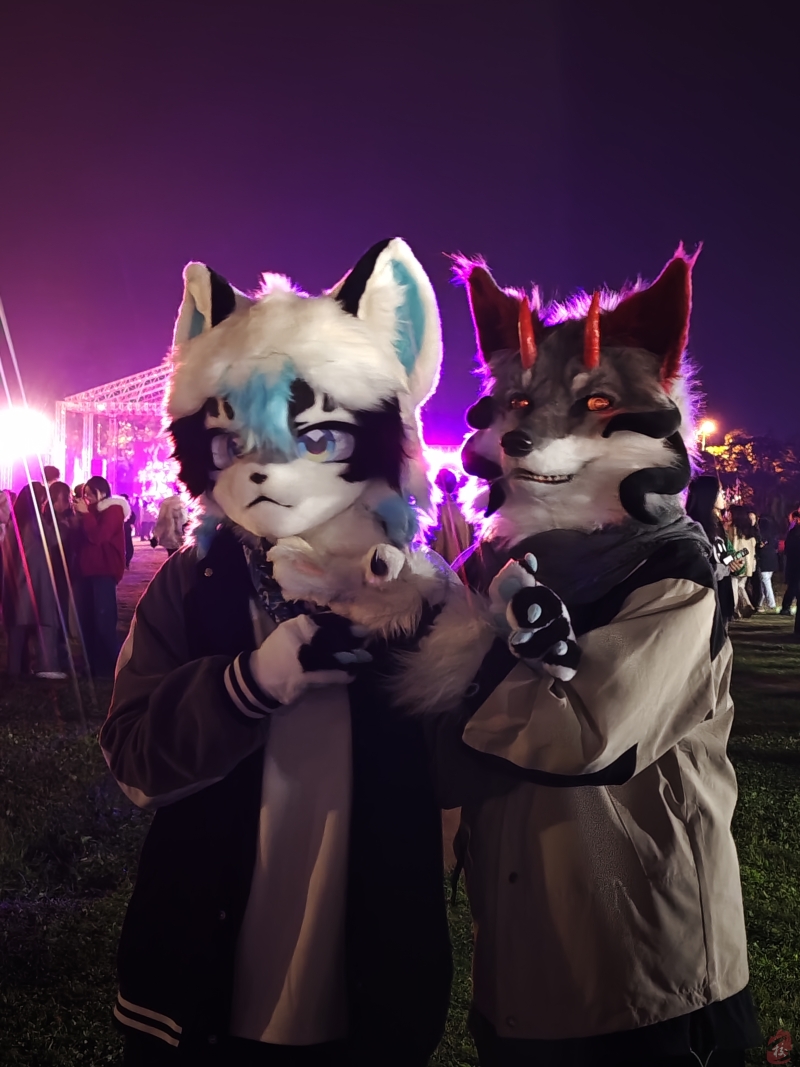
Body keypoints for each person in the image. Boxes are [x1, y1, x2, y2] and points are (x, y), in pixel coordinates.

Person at [99, 241, 454, 1065]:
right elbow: (132, 759)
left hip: (368, 1000)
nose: (265, 471)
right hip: (203, 992)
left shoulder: (422, 596)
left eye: (317, 436)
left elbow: (477, 768)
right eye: (235, 443)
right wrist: (245, 687)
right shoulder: (194, 583)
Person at [422, 251, 761, 1067]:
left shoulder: (670, 568)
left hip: (648, 976)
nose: (536, 429)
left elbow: (579, 733)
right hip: (519, 973)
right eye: (524, 402)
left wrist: (443, 695)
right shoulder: (485, 568)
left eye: (595, 401)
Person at [1, 482, 66, 678]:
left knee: (18, 626)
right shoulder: (35, 521)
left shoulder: (15, 522)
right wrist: (61, 520)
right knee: (45, 621)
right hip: (36, 578)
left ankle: (15, 668)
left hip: (17, 580)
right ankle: (47, 666)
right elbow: (53, 539)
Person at [73, 475, 130, 677]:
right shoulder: (92, 512)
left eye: (91, 493)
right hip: (86, 572)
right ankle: (93, 666)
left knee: (103, 621)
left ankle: (115, 666)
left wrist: (86, 515)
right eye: (85, 494)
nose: (87, 498)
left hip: (103, 572)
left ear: (103, 492)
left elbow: (98, 536)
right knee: (87, 621)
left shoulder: (113, 510)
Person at [685, 474, 737, 628]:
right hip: (707, 595)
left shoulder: (717, 525)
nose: (724, 495)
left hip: (723, 591)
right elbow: (699, 566)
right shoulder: (696, 527)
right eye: (720, 491)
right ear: (708, 495)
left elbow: (719, 556)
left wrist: (731, 562)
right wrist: (723, 568)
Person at [429, 467, 473, 564]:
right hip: (465, 565)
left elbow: (435, 545)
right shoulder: (466, 511)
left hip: (442, 567)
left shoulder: (435, 511)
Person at [727, 506, 757, 619]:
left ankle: (734, 609)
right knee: (741, 585)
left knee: (734, 584)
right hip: (749, 561)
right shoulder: (750, 529)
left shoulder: (734, 528)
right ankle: (748, 605)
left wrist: (731, 558)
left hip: (738, 560)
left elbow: (733, 545)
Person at [150, 489, 187, 557]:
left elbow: (161, 520)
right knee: (180, 556)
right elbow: (184, 521)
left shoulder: (166, 502)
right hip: (181, 536)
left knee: (171, 555)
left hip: (168, 535)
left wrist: (156, 535)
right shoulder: (184, 502)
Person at [755, 515, 779, 612]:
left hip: (764, 561)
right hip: (772, 560)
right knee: (764, 583)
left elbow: (758, 548)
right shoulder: (772, 536)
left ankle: (771, 603)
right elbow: (776, 547)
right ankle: (759, 603)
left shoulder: (760, 535)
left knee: (766, 582)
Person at [781, 510, 800, 615]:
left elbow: (787, 548)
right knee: (794, 587)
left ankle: (786, 607)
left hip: (793, 563)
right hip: (795, 563)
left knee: (793, 586)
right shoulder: (795, 532)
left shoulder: (793, 531)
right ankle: (785, 607)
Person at [121, 493, 136, 568]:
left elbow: (133, 516)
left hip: (126, 529)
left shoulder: (128, 508)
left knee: (128, 546)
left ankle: (126, 561)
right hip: (119, 530)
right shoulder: (116, 508)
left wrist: (130, 523)